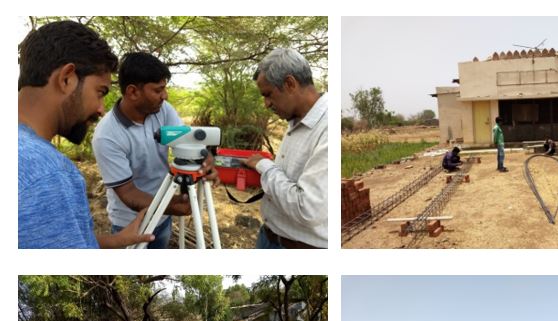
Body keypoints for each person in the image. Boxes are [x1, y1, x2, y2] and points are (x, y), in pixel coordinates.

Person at [18, 20, 153, 249]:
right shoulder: (49, 174)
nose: (101, 109)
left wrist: (115, 241)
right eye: (100, 92)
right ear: (67, 78)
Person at [92, 52, 218, 249]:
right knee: (131, 279)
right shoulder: (107, 135)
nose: (165, 96)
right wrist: (176, 205)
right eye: (158, 90)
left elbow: (185, 140)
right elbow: (129, 193)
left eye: (164, 88)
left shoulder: (163, 110)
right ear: (133, 92)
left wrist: (204, 158)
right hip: (131, 225)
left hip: (163, 217)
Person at [244, 48, 328, 249]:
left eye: (268, 94)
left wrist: (265, 167)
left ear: (290, 84)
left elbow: (307, 208)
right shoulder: (297, 119)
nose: (266, 104)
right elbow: (289, 178)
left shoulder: (326, 128)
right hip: (270, 237)